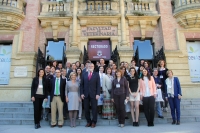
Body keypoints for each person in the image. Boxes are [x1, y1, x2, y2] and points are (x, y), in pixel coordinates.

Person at [80, 63, 100, 128]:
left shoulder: (96, 74)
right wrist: (81, 93)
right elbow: (81, 85)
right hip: (85, 94)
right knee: (86, 109)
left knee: (94, 109)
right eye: (89, 66)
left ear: (94, 67)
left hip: (94, 95)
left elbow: (98, 85)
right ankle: (88, 121)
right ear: (87, 67)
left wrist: (98, 94)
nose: (90, 67)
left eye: (92, 66)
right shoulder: (84, 74)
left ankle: (94, 122)